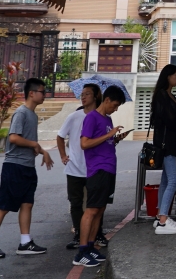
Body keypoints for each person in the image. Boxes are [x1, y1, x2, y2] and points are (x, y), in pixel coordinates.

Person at [0, 77, 54, 259]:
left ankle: (25, 242)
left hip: (27, 167)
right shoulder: (21, 113)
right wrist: (35, 145)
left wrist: (41, 150)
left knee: (27, 204)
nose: (45, 95)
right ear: (32, 93)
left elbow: (31, 143)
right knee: (4, 206)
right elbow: (14, 138)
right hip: (14, 166)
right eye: (42, 92)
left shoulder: (33, 115)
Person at [75, 85, 128, 268]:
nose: (115, 108)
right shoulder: (91, 118)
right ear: (106, 100)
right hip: (98, 169)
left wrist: (115, 138)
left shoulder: (108, 119)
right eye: (114, 105)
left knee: (100, 210)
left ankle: (90, 246)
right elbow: (84, 143)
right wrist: (108, 134)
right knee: (91, 209)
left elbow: (106, 142)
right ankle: (81, 251)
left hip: (109, 168)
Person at [55, 83, 100, 251]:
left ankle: (94, 235)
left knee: (94, 204)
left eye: (87, 94)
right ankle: (78, 235)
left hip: (94, 168)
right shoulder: (74, 116)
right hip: (74, 168)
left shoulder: (100, 117)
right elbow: (60, 137)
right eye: (82, 94)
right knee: (75, 203)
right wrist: (63, 156)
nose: (83, 96)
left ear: (95, 96)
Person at [150, 64, 176, 234]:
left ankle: (160, 216)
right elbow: (171, 122)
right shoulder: (161, 96)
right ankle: (163, 220)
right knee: (174, 180)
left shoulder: (170, 95)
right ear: (167, 76)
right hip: (166, 144)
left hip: (172, 142)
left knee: (166, 181)